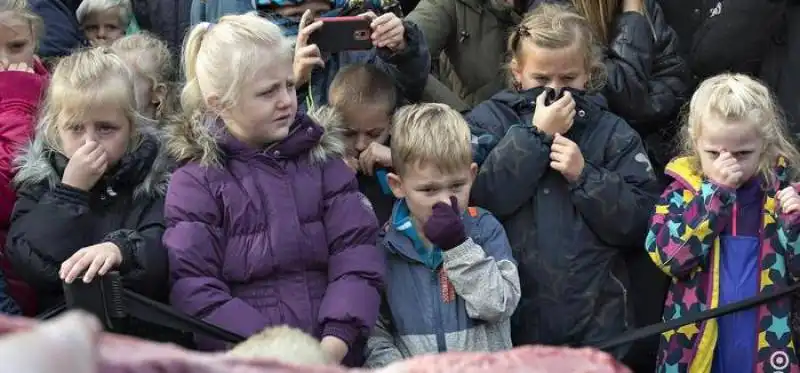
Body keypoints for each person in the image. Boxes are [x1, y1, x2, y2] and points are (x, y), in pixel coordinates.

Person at [164, 13, 384, 367]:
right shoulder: (195, 182)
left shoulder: (322, 160)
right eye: (268, 92)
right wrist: (280, 357)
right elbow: (197, 291)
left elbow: (357, 257)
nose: (286, 99)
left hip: (335, 356)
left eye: (287, 84)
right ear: (219, 103)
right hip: (250, 361)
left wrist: (331, 347)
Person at [467, 3, 660, 358]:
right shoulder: (488, 121)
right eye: (541, 80)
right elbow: (481, 198)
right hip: (511, 326)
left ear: (588, 73)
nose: (555, 91)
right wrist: (535, 136)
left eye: (568, 79)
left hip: (598, 326)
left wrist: (585, 176)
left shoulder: (613, 132)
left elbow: (641, 222)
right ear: (517, 73)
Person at [5, 48, 171, 332]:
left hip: (144, 330)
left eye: (106, 128)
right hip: (67, 333)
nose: (89, 143)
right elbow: (29, 260)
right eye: (75, 128)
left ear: (132, 128)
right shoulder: (41, 181)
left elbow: (166, 250)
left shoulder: (154, 177)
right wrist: (70, 192)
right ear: (56, 130)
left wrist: (122, 250)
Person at [645, 73, 800, 373]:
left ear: (765, 144)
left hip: (769, 345)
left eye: (743, 154)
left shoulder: (784, 192)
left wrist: (794, 225)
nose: (727, 164)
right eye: (714, 154)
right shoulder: (681, 193)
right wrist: (713, 197)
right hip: (698, 347)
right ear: (695, 141)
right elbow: (669, 257)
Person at [364, 103, 521, 367]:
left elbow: (499, 305)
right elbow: (374, 331)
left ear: (472, 176)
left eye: (457, 186)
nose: (445, 201)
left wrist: (458, 247)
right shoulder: (386, 247)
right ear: (397, 186)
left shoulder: (484, 229)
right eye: (428, 190)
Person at [0, 0, 49, 317]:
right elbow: (7, 194)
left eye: (16, 46)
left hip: (44, 268)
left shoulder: (60, 91)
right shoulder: (18, 91)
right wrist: (15, 100)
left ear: (34, 39)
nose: (4, 61)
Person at [292, 7, 429, 112]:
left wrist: (403, 45)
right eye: (295, 15)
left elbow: (407, 88)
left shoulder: (371, 47)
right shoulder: (278, 58)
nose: (321, 21)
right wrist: (294, 84)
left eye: (322, 12)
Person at [327, 64, 398, 225]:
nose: (360, 145)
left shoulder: (407, 149)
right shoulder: (316, 158)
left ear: (392, 124)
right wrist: (330, 176)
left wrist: (399, 161)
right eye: (348, 133)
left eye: (373, 134)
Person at [111, 32, 178, 126]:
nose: (112, 89)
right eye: (111, 81)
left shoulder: (165, 139)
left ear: (157, 93)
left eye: (125, 82)